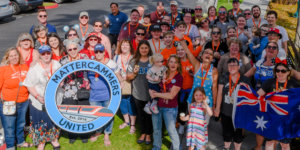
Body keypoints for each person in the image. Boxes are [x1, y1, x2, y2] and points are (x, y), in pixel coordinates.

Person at [23, 45, 61, 150]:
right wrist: (37, 96)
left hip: (54, 99)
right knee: (39, 120)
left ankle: (54, 139)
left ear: (51, 53)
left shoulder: (56, 64)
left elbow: (62, 78)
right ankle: (41, 142)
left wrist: (61, 83)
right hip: (38, 100)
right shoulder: (34, 68)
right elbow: (29, 84)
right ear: (40, 55)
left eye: (48, 53)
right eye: (43, 53)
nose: (46, 55)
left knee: (52, 119)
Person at [257, 57, 299, 150]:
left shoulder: (294, 84)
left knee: (285, 145)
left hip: (287, 120)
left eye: (283, 71)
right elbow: (257, 96)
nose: (279, 73)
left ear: (288, 72)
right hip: (271, 119)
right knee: (270, 142)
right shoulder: (269, 82)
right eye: (277, 70)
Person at [244, 42, 279, 150]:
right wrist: (236, 80)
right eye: (269, 47)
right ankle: (258, 146)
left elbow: (293, 74)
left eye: (274, 47)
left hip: (274, 100)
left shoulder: (281, 63)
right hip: (259, 99)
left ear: (277, 51)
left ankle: (272, 147)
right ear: (265, 49)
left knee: (273, 125)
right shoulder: (260, 62)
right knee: (260, 123)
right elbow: (249, 73)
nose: (271, 49)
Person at [214, 58, 250, 150]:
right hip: (226, 111)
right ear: (227, 67)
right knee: (226, 132)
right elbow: (219, 93)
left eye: (234, 65)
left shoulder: (244, 79)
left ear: (238, 67)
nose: (232, 67)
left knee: (238, 133)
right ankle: (226, 148)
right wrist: (217, 108)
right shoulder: (223, 77)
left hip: (239, 113)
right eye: (230, 65)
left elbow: (249, 96)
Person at [87, 44, 120, 145]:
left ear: (104, 52)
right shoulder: (90, 64)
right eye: (96, 52)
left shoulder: (111, 63)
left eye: (100, 51)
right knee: (96, 115)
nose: (98, 54)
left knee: (108, 115)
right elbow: (87, 77)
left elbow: (118, 77)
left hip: (108, 95)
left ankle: (106, 133)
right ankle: (98, 131)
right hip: (94, 95)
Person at [0, 47, 32, 149]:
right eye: (11, 55)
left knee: (21, 124)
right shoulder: (3, 69)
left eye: (16, 55)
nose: (14, 57)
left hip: (23, 101)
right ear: (8, 58)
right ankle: (10, 146)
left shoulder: (25, 67)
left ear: (19, 56)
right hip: (8, 102)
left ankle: (20, 142)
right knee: (9, 126)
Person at [59, 41, 90, 144]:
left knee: (84, 112)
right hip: (69, 90)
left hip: (82, 88)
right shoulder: (63, 60)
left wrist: (88, 82)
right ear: (67, 51)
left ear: (78, 48)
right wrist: (63, 86)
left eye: (74, 49)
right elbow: (59, 76)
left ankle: (84, 134)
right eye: (70, 49)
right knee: (70, 113)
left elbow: (91, 70)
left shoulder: (84, 57)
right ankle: (72, 135)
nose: (72, 51)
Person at [150, 55, 182, 150]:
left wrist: (156, 95)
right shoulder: (162, 73)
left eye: (175, 62)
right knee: (156, 129)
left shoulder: (179, 77)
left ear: (178, 65)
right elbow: (152, 82)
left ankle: (177, 148)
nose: (173, 64)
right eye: (171, 62)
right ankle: (156, 147)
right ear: (167, 63)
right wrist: (151, 91)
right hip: (157, 106)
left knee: (171, 130)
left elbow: (171, 95)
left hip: (170, 108)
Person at [126, 40, 153, 145]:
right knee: (141, 115)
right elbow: (128, 77)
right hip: (138, 93)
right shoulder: (134, 61)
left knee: (149, 115)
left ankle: (149, 134)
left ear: (149, 49)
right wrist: (134, 73)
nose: (144, 50)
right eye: (142, 48)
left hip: (151, 93)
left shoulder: (152, 61)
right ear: (138, 49)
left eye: (146, 48)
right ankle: (143, 133)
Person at [113, 40, 136, 134]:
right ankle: (126, 121)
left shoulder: (133, 58)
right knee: (122, 102)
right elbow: (114, 70)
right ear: (120, 46)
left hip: (131, 83)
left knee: (131, 102)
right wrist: (121, 80)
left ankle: (133, 125)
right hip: (120, 83)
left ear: (130, 47)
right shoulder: (116, 57)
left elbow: (135, 71)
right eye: (123, 45)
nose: (125, 46)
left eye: (127, 45)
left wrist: (127, 78)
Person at [176, 41, 194, 134]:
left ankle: (191, 125)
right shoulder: (176, 63)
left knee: (191, 109)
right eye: (178, 50)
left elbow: (198, 74)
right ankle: (182, 124)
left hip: (191, 90)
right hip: (181, 91)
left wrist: (193, 74)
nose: (180, 51)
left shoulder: (191, 61)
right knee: (182, 108)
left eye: (182, 49)